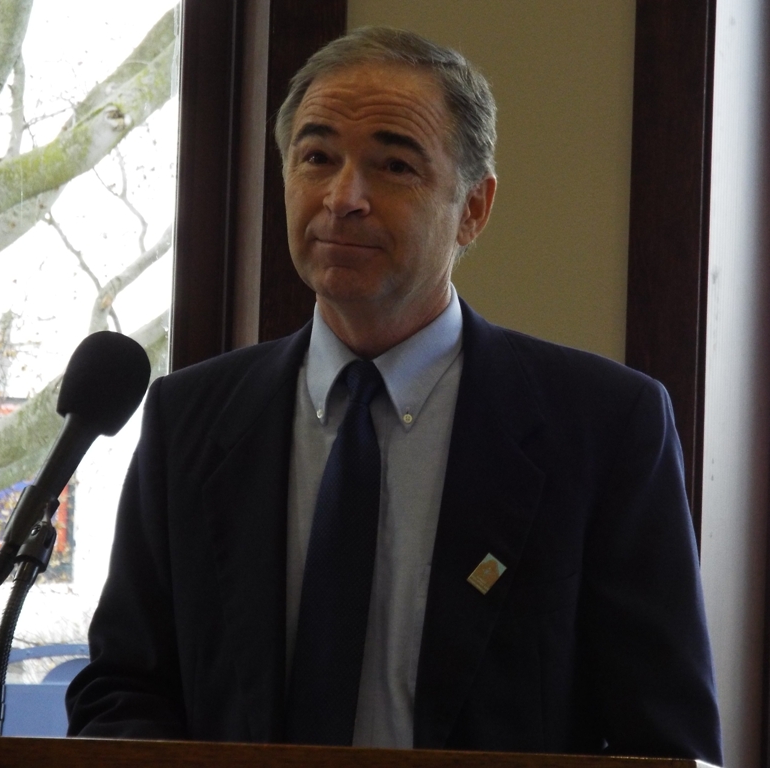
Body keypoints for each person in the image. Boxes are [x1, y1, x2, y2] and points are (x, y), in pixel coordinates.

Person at [66, 27, 722, 764]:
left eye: (394, 165)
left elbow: (663, 738)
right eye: (317, 158)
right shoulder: (191, 418)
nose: (343, 198)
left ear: (474, 207)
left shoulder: (603, 426)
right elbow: (124, 687)